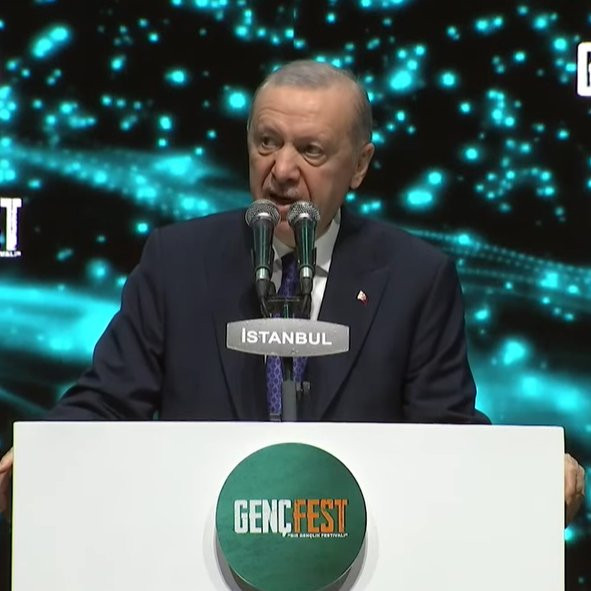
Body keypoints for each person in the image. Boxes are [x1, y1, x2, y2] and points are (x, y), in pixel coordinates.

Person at [0, 60, 585, 522]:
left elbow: (446, 432)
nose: (281, 170)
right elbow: (108, 401)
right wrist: (46, 450)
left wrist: (524, 472)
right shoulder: (176, 261)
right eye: (266, 142)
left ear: (360, 166)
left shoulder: (415, 278)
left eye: (310, 150)